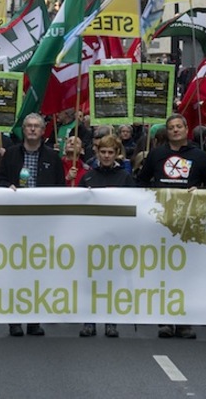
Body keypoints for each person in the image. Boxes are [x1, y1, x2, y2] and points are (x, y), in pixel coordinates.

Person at [137, 113, 206, 340]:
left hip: (189, 223)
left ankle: (184, 321)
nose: (175, 130)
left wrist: (201, 192)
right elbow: (141, 181)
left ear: (186, 129)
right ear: (167, 131)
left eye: (179, 126)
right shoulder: (156, 154)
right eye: (171, 127)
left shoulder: (199, 156)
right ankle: (165, 320)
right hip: (161, 222)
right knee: (163, 271)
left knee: (186, 273)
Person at [0, 113, 65, 337]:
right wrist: (7, 187)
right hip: (15, 221)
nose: (33, 129)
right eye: (29, 126)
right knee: (15, 271)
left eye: (37, 126)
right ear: (23, 130)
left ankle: (34, 319)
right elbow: (0, 179)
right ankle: (14, 320)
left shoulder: (52, 157)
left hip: (42, 223)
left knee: (38, 271)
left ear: (43, 131)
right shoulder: (11, 154)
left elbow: (60, 188)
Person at [78, 134, 134, 338]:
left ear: (117, 153)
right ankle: (89, 321)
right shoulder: (88, 177)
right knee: (91, 281)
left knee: (113, 281)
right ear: (97, 153)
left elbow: (133, 205)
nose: (107, 156)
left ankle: (111, 322)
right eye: (103, 152)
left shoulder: (125, 178)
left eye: (110, 152)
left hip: (116, 237)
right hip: (91, 236)